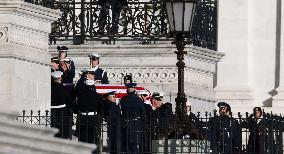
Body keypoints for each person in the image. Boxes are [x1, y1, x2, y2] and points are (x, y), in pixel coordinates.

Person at [75, 69, 104, 152]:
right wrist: (100, 117)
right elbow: (101, 108)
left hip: (83, 119)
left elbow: (78, 107)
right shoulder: (97, 96)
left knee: (83, 139)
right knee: (93, 139)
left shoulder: (81, 96)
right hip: (93, 119)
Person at [120, 83, 146, 153]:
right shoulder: (139, 100)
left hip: (126, 124)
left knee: (127, 145)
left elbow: (121, 112)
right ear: (134, 90)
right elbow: (143, 113)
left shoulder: (123, 100)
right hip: (136, 124)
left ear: (127, 90)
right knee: (134, 146)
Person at [50, 71, 73, 139]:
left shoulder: (49, 87)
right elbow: (69, 100)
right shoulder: (64, 88)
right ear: (60, 78)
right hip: (62, 111)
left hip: (51, 111)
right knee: (62, 131)